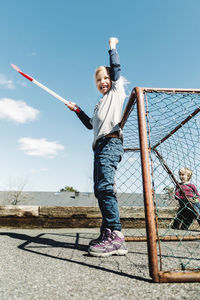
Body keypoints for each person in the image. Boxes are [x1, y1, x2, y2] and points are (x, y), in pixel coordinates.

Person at [66, 37, 128, 257]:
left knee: (105, 188)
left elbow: (116, 68)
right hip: (99, 146)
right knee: (99, 190)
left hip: (111, 143)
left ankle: (117, 236)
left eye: (105, 78)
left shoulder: (116, 92)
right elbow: (91, 125)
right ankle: (107, 231)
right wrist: (77, 110)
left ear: (111, 79)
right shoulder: (100, 103)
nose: (102, 82)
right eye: (98, 80)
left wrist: (112, 47)